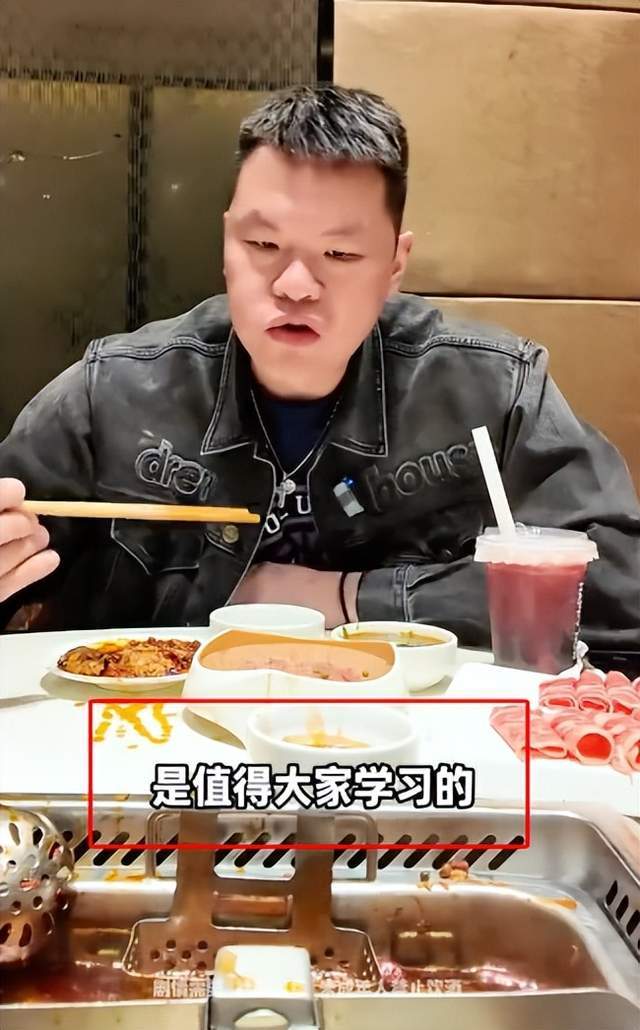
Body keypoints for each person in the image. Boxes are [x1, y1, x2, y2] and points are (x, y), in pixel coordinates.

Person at [0, 85, 638, 645]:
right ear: (226, 241)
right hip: (149, 731)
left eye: (339, 253)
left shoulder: (491, 390)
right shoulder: (113, 392)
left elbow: (620, 581)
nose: (295, 285)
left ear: (395, 263)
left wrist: (347, 597)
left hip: (416, 731)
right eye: (263, 244)